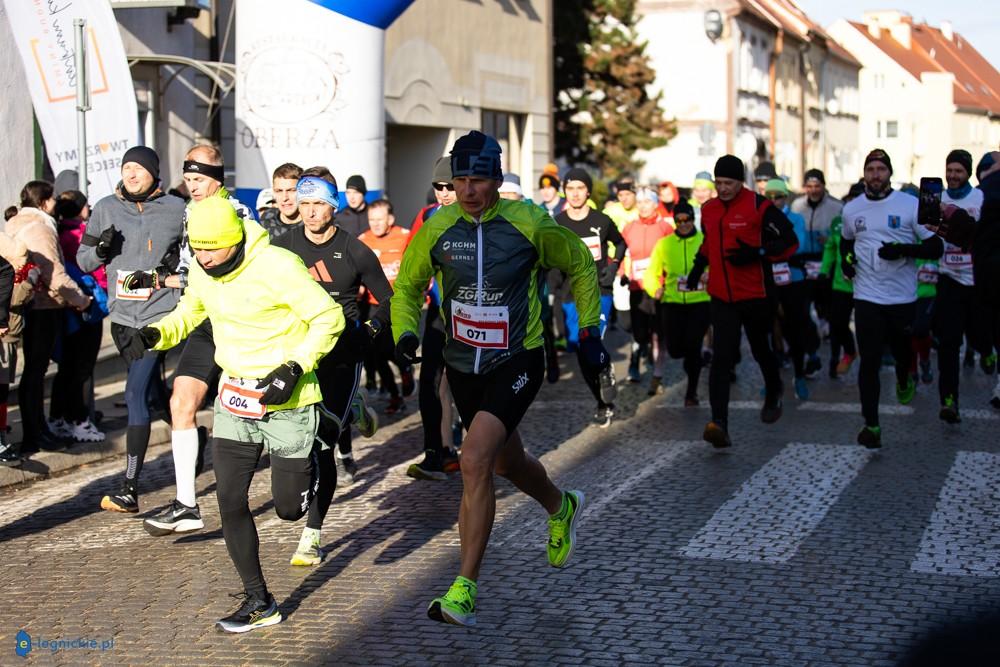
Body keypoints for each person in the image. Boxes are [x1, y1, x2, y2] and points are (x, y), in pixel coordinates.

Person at [391, 130, 607, 626]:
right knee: (507, 462)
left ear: (497, 179)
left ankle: (464, 587)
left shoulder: (529, 222)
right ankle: (561, 505)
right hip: (463, 362)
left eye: (478, 181)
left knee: (473, 459)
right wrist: (405, 333)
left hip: (517, 358)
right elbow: (407, 285)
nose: (467, 191)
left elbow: (579, 262)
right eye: (460, 180)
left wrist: (590, 329)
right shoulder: (438, 227)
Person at [122, 196, 344, 632]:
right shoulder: (204, 272)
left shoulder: (278, 266)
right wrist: (154, 334)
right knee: (228, 498)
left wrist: (295, 366)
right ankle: (260, 600)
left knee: (287, 510)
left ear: (236, 239)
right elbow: (190, 314)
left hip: (289, 401)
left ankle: (318, 455)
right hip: (235, 399)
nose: (203, 258)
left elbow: (328, 318)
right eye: (197, 248)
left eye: (212, 248)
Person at [126, 145, 253, 535]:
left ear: (217, 176)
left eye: (198, 179)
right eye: (188, 178)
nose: (192, 186)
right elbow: (189, 273)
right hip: (202, 320)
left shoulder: (240, 215)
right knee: (181, 401)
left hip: (240, 322)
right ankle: (186, 505)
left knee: (254, 415)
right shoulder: (188, 213)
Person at [272, 171, 385, 564]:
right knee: (297, 439)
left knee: (323, 443)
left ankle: (312, 535)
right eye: (304, 204)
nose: (310, 212)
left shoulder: (355, 250)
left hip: (342, 353)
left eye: (318, 204)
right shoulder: (282, 247)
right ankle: (355, 409)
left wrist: (369, 331)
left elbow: (389, 299)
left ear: (333, 206)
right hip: (299, 353)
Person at [77, 146, 186, 513]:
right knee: (155, 396)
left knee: (135, 393)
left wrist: (171, 280)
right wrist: (102, 251)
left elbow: (193, 264)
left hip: (160, 318)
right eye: (126, 168)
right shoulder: (106, 207)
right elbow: (83, 258)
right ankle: (193, 436)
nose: (131, 174)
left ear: (154, 174)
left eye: (138, 168)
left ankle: (129, 488)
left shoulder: (177, 210)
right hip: (122, 319)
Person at [686, 155, 798, 449]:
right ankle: (719, 423)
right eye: (718, 183)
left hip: (756, 295)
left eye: (728, 183)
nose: (722, 188)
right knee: (722, 358)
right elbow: (709, 244)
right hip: (722, 296)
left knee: (761, 349)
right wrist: (698, 268)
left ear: (741, 182)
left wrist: (758, 253)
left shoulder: (759, 207)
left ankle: (774, 388)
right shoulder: (708, 209)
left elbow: (789, 241)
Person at [840, 149, 943, 449]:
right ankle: (871, 424)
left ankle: (903, 375)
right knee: (869, 361)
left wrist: (903, 249)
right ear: (864, 174)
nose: (875, 175)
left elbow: (935, 248)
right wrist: (847, 261)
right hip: (867, 295)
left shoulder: (910, 205)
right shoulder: (851, 209)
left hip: (901, 297)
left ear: (889, 173)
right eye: (870, 169)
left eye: (880, 169)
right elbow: (847, 241)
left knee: (901, 353)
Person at [6, 181, 92, 454]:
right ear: (43, 202)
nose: (55, 202)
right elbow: (53, 273)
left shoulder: (17, 222)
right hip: (43, 307)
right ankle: (35, 433)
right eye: (52, 197)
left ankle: (38, 428)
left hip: (27, 305)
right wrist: (81, 299)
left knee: (33, 370)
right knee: (36, 371)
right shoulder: (40, 227)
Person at [554, 167, 625, 427]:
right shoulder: (558, 223)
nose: (575, 194)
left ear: (588, 191)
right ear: (565, 191)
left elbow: (620, 242)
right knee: (583, 355)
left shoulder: (602, 220)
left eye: (580, 188)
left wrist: (614, 265)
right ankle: (601, 400)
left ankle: (604, 372)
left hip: (599, 290)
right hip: (570, 294)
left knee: (591, 338)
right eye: (570, 188)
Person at [406, 157, 463, 480]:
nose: (443, 193)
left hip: (475, 316)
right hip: (439, 315)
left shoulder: (477, 218)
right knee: (430, 381)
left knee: (466, 384)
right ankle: (437, 451)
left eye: (450, 187)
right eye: (438, 187)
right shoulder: (427, 217)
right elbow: (411, 268)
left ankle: (483, 448)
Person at [49, 190, 107, 443]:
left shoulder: (57, 232)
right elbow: (98, 270)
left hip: (66, 308)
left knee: (68, 367)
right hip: (86, 305)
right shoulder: (81, 235)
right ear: (82, 209)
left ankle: (59, 417)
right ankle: (79, 420)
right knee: (81, 367)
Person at [644, 201, 710, 405]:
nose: (683, 224)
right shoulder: (664, 244)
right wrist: (654, 288)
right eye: (679, 220)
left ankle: (691, 392)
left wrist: (710, 276)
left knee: (694, 346)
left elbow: (717, 266)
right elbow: (651, 273)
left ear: (693, 219)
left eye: (687, 219)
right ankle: (692, 361)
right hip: (672, 303)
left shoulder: (704, 241)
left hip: (700, 302)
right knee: (674, 349)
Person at [764, 178, 815, 400]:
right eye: (770, 197)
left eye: (779, 196)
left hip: (792, 279)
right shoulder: (761, 219)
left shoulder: (796, 218)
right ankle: (771, 380)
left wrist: (771, 249)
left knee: (795, 328)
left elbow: (798, 245)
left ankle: (799, 375)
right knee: (768, 330)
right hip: (768, 280)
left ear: (786, 197)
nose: (774, 201)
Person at [621, 187, 674, 389]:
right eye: (640, 202)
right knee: (639, 332)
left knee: (659, 333)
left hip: (658, 289)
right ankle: (636, 360)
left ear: (655, 204)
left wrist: (667, 280)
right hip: (636, 287)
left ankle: (657, 375)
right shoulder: (630, 227)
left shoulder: (665, 228)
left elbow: (672, 254)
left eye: (647, 202)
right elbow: (622, 252)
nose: (643, 206)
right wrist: (621, 273)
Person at [791, 168, 843, 364]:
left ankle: (830, 337)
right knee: (804, 306)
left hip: (826, 260)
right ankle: (810, 344)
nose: (813, 190)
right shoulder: (797, 205)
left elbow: (843, 233)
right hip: (803, 261)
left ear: (824, 186)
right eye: (810, 186)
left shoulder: (836, 207)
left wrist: (829, 238)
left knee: (827, 303)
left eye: (817, 186)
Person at [820, 182, 863, 379]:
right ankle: (842, 354)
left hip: (867, 286)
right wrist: (823, 271)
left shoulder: (874, 219)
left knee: (867, 327)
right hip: (841, 283)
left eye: (857, 199)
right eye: (850, 199)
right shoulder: (839, 221)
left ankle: (872, 362)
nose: (853, 202)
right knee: (837, 323)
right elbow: (830, 247)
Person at [258, 163, 303, 239]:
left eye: (291, 190)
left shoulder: (313, 223)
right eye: (279, 191)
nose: (284, 198)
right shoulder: (267, 218)